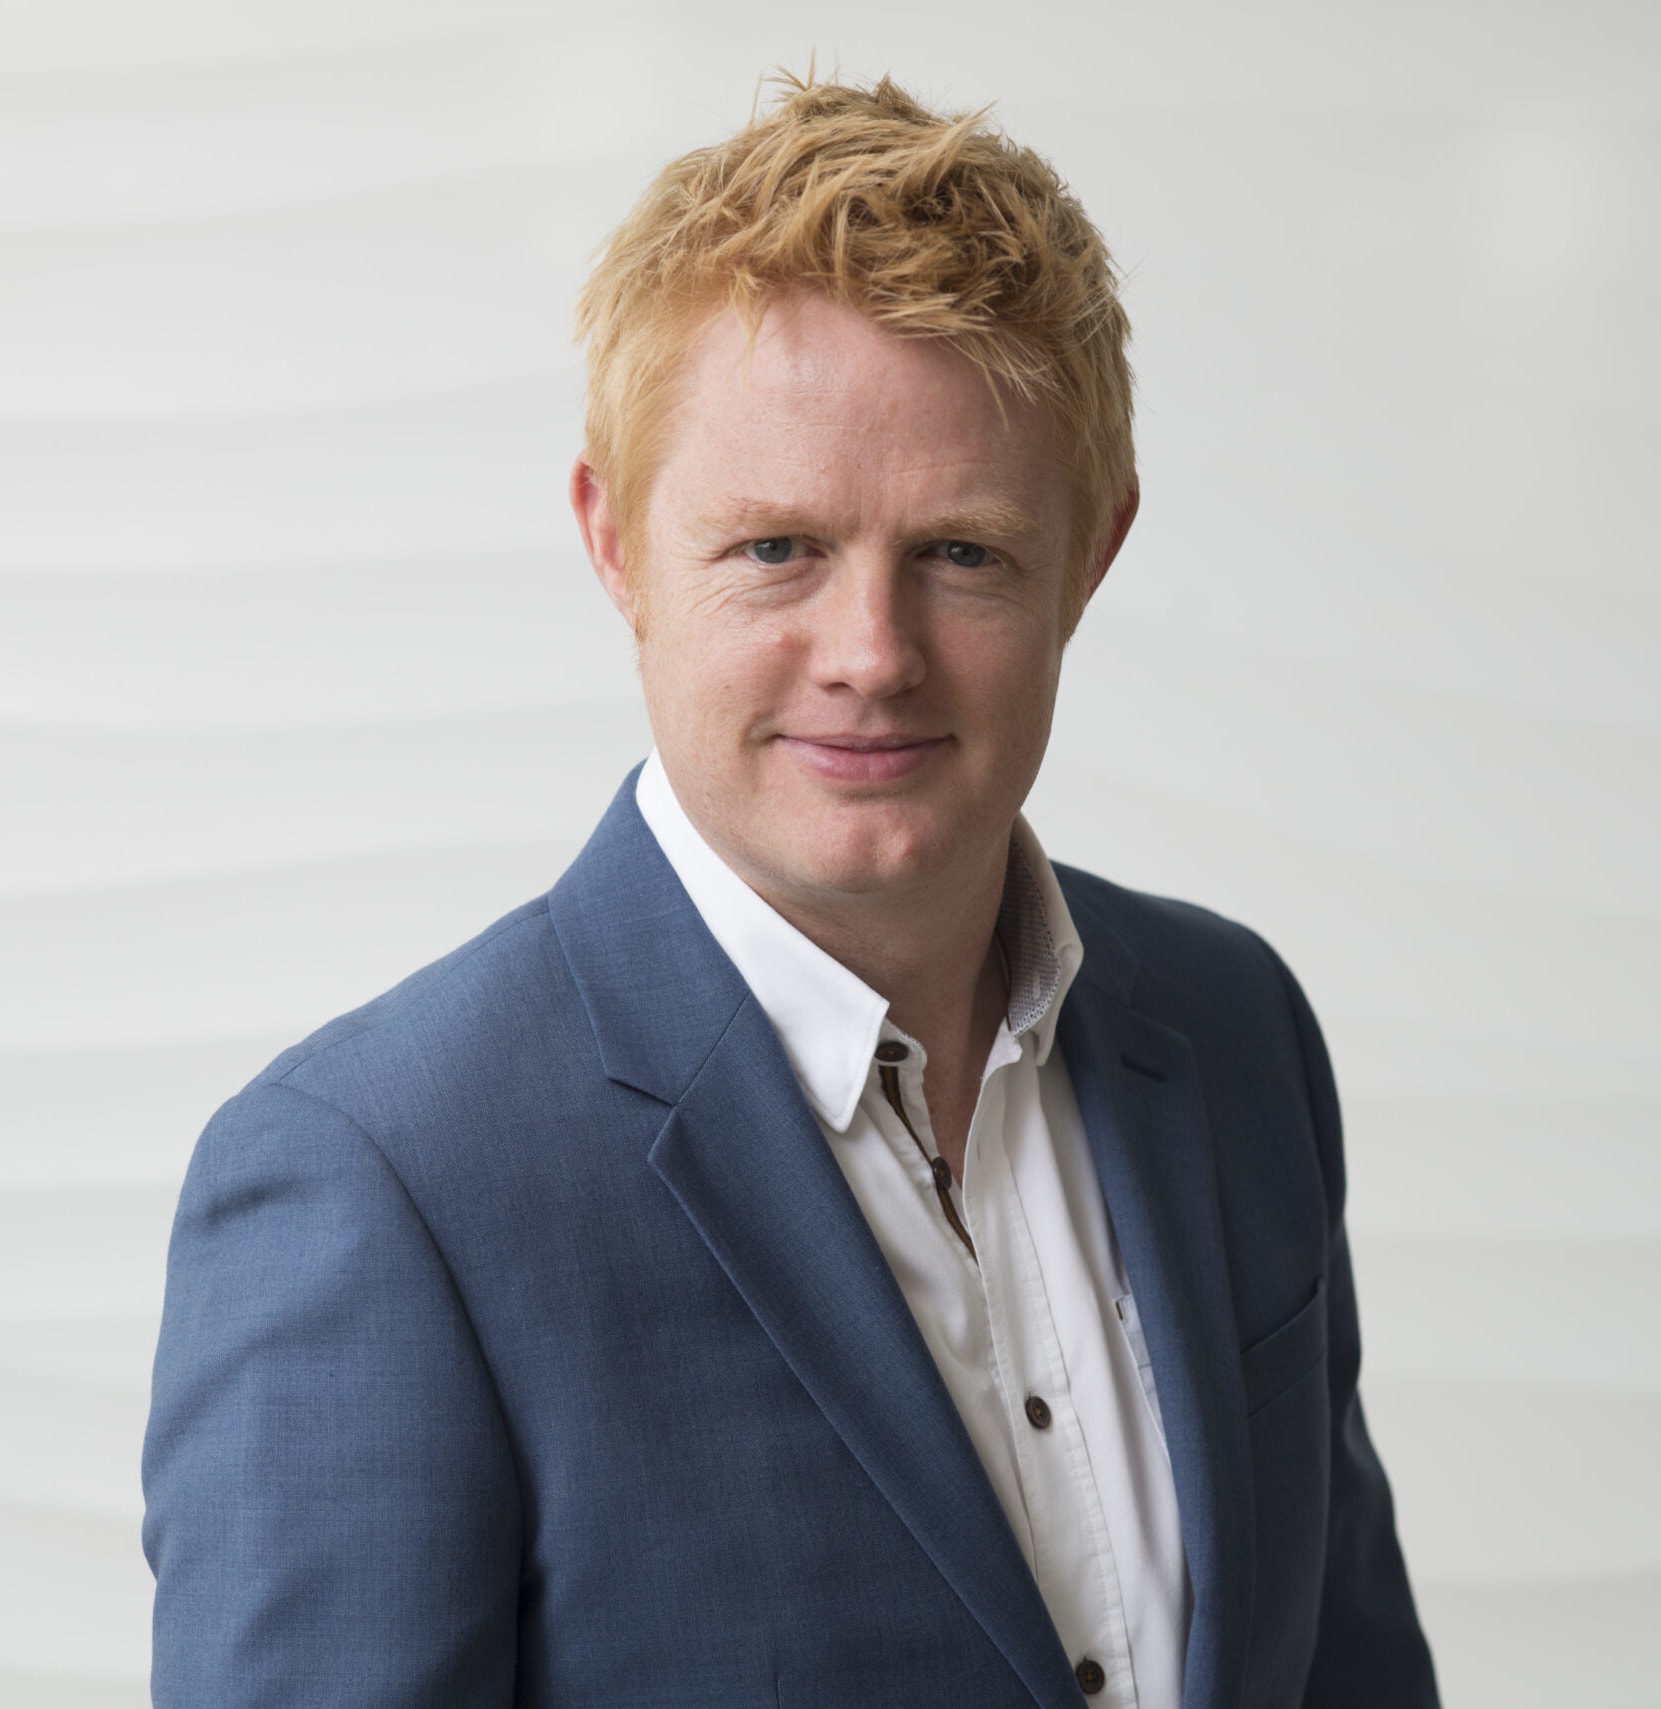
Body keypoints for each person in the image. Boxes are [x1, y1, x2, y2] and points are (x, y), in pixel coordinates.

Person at [143, 74, 1439, 1709]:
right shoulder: (380, 1179)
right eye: (775, 550)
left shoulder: (1233, 1029)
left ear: (1090, 557)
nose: (871, 656)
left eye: (961, 551)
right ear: (615, 544)